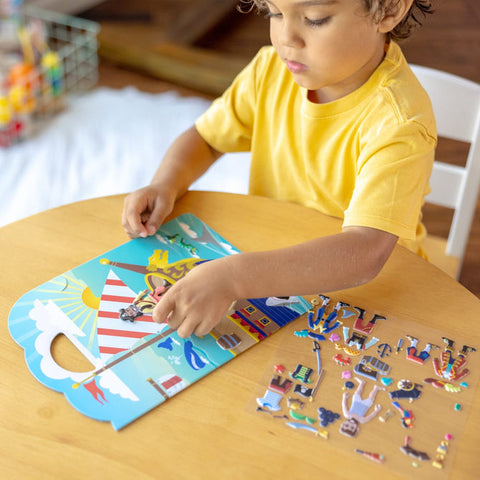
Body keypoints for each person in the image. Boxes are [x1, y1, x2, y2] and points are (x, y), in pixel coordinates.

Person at [122, 0, 436, 339]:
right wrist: (165, 183)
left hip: (373, 292)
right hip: (270, 268)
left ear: (388, 10)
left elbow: (366, 251)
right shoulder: (269, 71)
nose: (286, 38)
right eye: (274, 12)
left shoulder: (400, 124)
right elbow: (208, 139)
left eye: (315, 19)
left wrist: (233, 277)